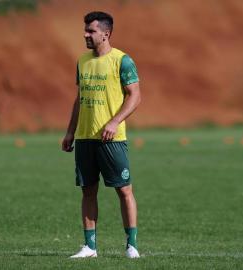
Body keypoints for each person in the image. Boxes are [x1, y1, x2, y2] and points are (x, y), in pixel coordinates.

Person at [61, 11, 141, 258]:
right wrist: (70, 132)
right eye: (85, 30)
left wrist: (115, 121)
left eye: (91, 31)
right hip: (85, 137)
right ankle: (89, 247)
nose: (85, 35)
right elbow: (79, 98)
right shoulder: (82, 61)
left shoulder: (122, 61)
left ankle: (132, 245)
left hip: (111, 139)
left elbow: (135, 96)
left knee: (124, 190)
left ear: (106, 33)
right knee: (88, 191)